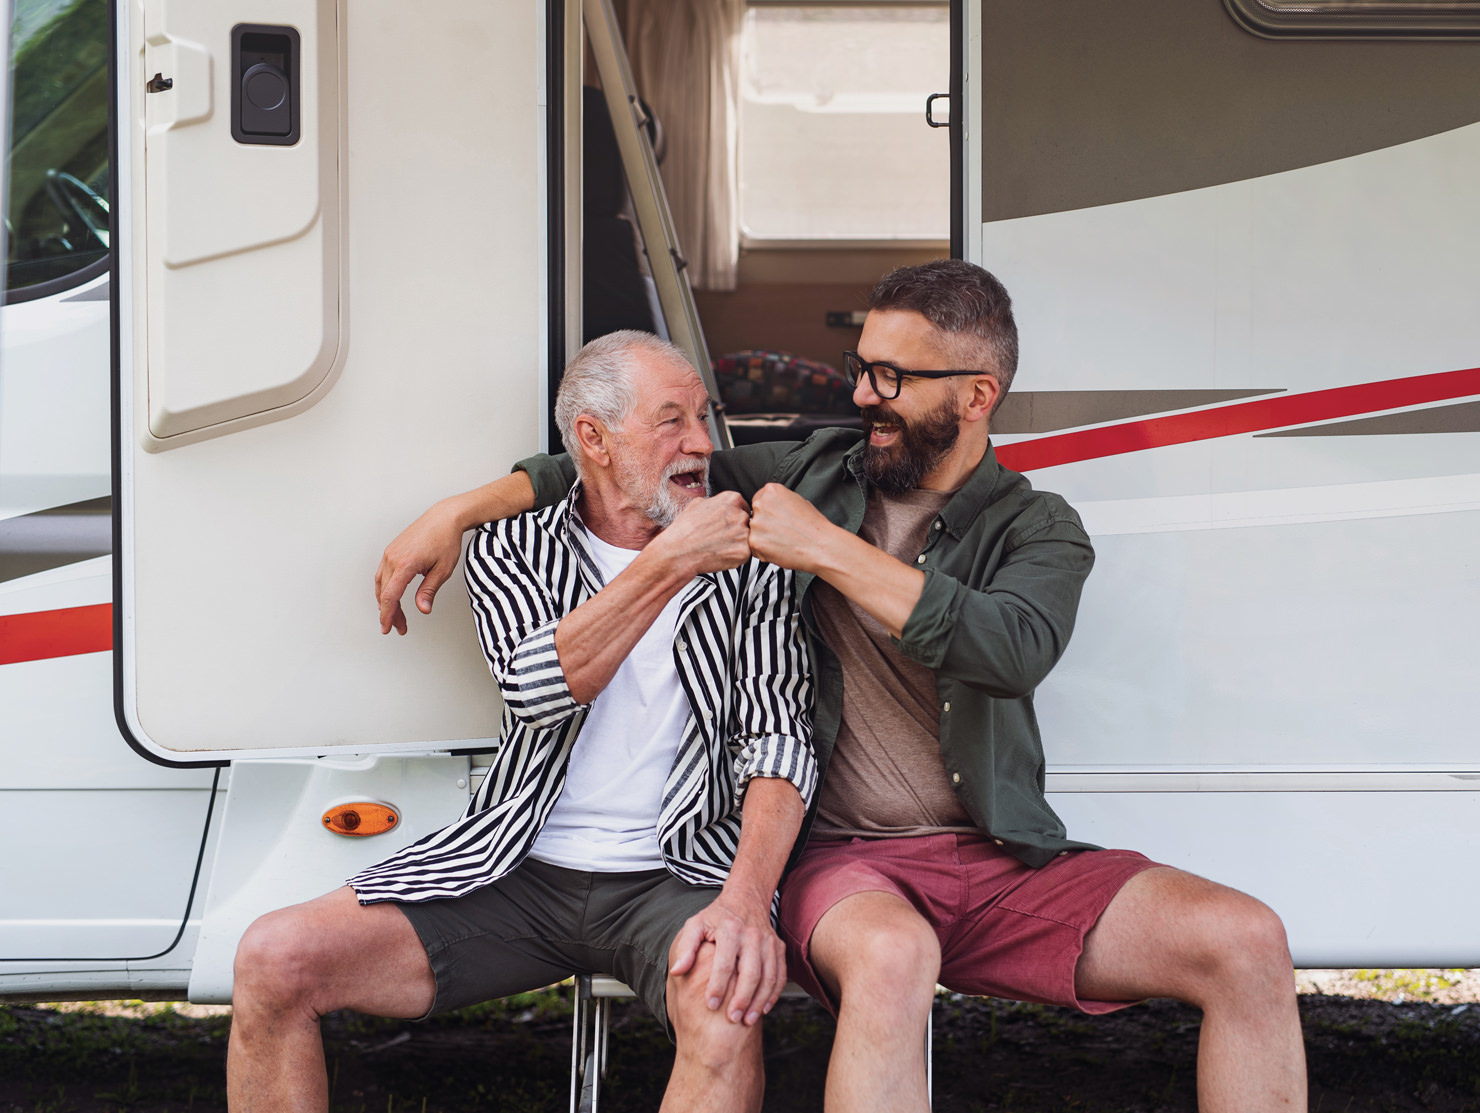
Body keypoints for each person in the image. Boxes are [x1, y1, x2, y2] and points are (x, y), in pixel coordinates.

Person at [376, 261, 1308, 1112]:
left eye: (891, 377)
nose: (863, 394)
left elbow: (1011, 648)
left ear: (977, 395)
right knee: (894, 955)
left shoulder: (1039, 525)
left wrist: (826, 549)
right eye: (862, 368)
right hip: (844, 858)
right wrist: (457, 510)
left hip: (998, 859)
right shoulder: (813, 469)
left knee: (1247, 937)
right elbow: (617, 464)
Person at [229, 331, 818, 1113]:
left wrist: (744, 901)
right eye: (671, 420)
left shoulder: (755, 561)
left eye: (702, 417)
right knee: (272, 958)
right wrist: (672, 559)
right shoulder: (512, 546)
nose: (703, 444)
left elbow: (779, 743)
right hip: (517, 867)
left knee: (726, 1008)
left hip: (678, 876)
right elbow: (538, 687)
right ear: (594, 440)